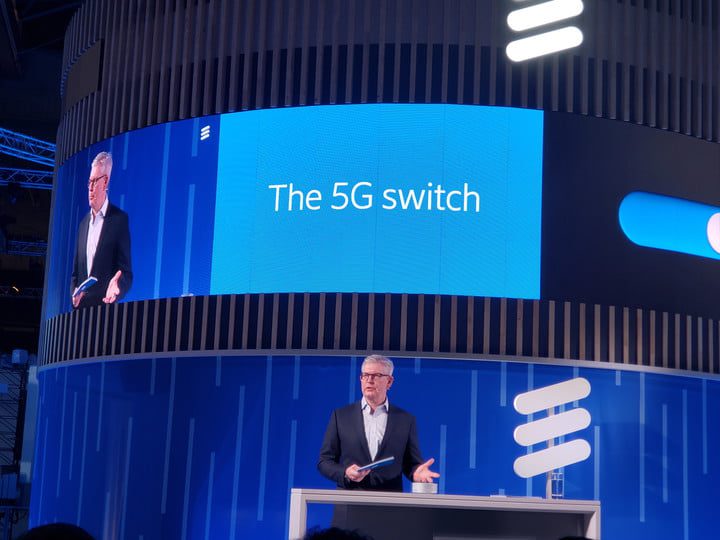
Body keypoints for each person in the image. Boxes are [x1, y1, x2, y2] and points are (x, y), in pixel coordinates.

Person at [318, 354, 439, 491]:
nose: (369, 380)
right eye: (365, 375)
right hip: (349, 499)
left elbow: (411, 464)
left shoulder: (405, 420)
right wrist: (345, 472)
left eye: (376, 375)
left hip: (388, 500)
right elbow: (324, 462)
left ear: (389, 382)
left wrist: (417, 473)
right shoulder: (341, 416)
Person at [70, 151, 132, 308]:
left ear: (105, 182)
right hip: (81, 315)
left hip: (104, 314)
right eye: (89, 182)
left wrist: (118, 287)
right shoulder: (83, 224)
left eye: (95, 181)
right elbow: (75, 275)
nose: (90, 188)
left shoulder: (119, 220)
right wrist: (74, 294)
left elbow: (126, 273)